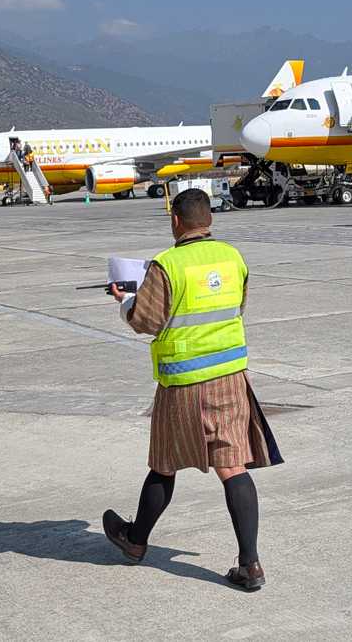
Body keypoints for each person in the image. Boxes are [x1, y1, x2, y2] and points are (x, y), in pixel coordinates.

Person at [103, 188, 280, 591]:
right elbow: (237, 305)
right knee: (232, 466)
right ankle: (249, 564)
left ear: (176, 221)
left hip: (183, 380)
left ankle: (135, 541)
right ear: (209, 221)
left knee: (165, 463)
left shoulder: (167, 264)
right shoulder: (232, 257)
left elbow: (146, 320)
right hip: (230, 376)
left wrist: (124, 300)